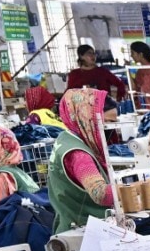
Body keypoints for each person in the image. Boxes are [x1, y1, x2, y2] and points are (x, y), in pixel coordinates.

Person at [47, 88, 116, 234]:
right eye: (107, 122)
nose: (111, 129)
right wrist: (147, 186)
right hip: (83, 233)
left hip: (70, 224)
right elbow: (101, 194)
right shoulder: (78, 154)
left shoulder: (65, 138)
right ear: (87, 118)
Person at [128, 40, 150, 105]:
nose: (131, 56)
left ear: (140, 54)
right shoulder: (141, 70)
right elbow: (135, 87)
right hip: (147, 103)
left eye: (133, 53)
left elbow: (149, 89)